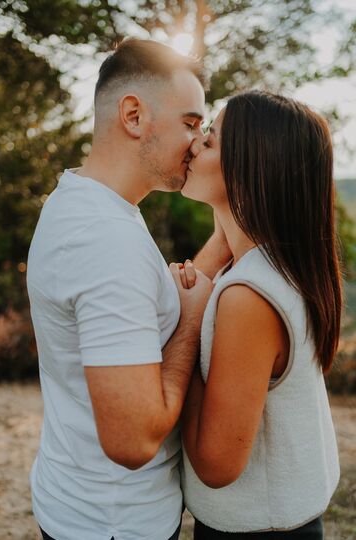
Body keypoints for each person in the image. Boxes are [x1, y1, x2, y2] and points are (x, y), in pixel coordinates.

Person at [26, 38, 218, 540]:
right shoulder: (106, 238)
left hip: (75, 500)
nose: (198, 143)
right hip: (117, 523)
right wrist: (193, 320)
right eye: (191, 123)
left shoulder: (78, 201)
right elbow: (132, 442)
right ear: (133, 115)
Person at [176, 91, 341, 539]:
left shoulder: (249, 298)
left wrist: (185, 329)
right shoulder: (280, 263)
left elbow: (216, 464)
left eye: (209, 141)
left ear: (249, 171)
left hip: (258, 530)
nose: (193, 144)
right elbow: (215, 261)